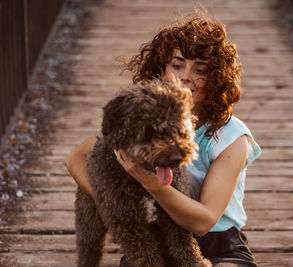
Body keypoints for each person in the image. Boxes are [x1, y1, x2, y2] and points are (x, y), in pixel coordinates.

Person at [66, 12, 261, 267]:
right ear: (162, 70)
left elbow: (203, 222)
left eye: (200, 69)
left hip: (219, 244)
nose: (185, 76)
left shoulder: (231, 136)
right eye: (177, 66)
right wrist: (116, 205)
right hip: (153, 238)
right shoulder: (141, 119)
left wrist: (150, 183)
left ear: (216, 79)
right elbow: (76, 159)